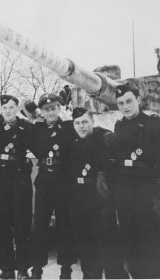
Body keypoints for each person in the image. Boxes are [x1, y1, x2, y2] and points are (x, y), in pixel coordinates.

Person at [69, 107, 128, 279]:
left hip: (100, 198)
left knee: (108, 241)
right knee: (86, 242)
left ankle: (116, 275)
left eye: (85, 122)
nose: (81, 126)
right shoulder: (74, 143)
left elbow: (115, 164)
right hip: (80, 197)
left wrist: (104, 173)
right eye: (77, 123)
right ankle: (90, 274)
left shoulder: (103, 138)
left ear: (93, 122)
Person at [110, 83, 160, 278]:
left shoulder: (153, 124)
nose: (125, 106)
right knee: (129, 237)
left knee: (149, 238)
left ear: (138, 100)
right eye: (120, 103)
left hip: (146, 190)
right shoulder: (119, 125)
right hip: (124, 191)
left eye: (129, 101)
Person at [0, 95, 34, 280]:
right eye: (4, 107)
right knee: (0, 224)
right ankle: (6, 269)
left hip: (20, 178)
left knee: (22, 224)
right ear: (0, 108)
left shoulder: (27, 128)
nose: (8, 110)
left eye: (11, 107)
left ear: (17, 108)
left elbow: (45, 140)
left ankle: (23, 268)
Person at [30, 93, 76, 279]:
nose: (50, 112)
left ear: (59, 109)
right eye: (46, 109)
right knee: (39, 226)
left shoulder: (68, 127)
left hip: (62, 180)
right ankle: (36, 269)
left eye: (53, 108)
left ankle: (66, 269)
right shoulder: (36, 129)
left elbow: (87, 129)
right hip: (44, 181)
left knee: (65, 226)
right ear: (41, 111)